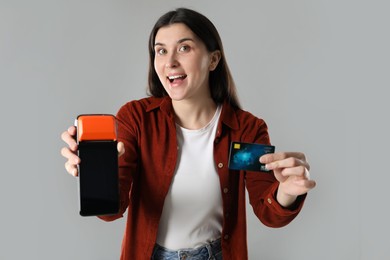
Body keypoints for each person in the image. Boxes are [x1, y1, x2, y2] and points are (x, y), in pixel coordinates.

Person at [61, 7, 316, 260]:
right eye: (161, 50)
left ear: (213, 59)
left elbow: (267, 211)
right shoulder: (137, 119)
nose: (170, 61)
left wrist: (287, 191)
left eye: (184, 48)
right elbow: (111, 211)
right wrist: (96, 174)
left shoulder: (244, 130)